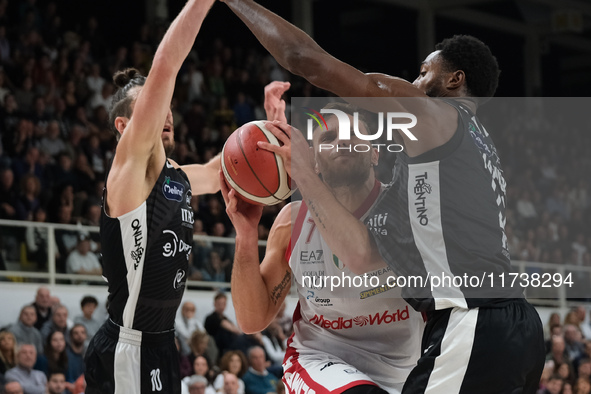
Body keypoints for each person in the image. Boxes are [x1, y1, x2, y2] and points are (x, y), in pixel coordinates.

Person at [220, 2, 546, 392]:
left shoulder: (434, 118)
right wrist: (286, 138)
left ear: (455, 80)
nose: (416, 82)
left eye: (425, 73)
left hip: (472, 322)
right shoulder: (475, 146)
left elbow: (304, 60)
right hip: (516, 326)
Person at [221, 84, 423, 393]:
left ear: (373, 152)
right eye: (328, 139)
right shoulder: (292, 222)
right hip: (320, 358)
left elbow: (359, 254)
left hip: (405, 367)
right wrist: (246, 235)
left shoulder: (405, 207)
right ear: (312, 161)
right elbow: (251, 320)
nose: (342, 142)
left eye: (355, 136)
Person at [83, 1, 221, 393]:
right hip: (129, 346)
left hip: (161, 343)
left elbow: (217, 172)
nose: (166, 111)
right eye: (152, 105)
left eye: (165, 105)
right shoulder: (127, 173)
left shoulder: (175, 177)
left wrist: (267, 128)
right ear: (124, 125)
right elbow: (166, 67)